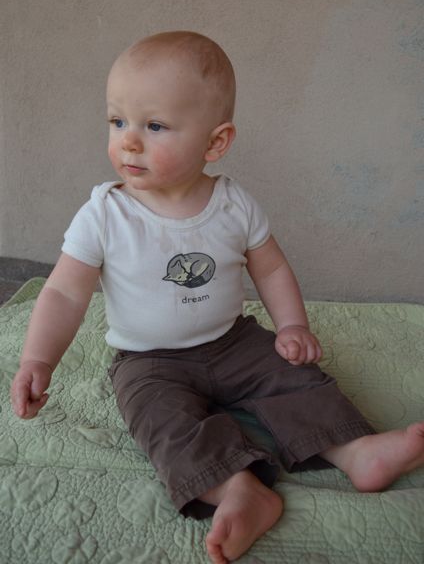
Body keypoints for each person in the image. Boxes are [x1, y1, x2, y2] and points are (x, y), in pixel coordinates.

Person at [11, 31, 424, 564]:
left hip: (234, 341)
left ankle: (355, 449)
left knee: (294, 378)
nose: (129, 141)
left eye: (154, 126)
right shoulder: (105, 214)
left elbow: (271, 267)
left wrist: (292, 326)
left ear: (215, 142)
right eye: (117, 121)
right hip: (149, 360)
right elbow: (65, 292)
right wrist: (38, 359)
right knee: (161, 422)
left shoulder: (234, 205)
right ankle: (238, 489)